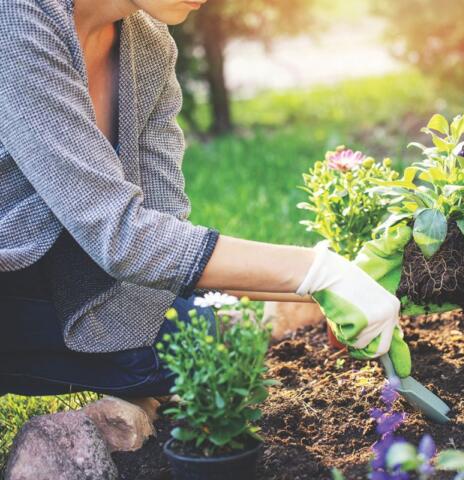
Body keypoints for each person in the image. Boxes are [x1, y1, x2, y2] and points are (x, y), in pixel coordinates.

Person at [0, 0, 405, 398]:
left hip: (63, 270)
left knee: (197, 341)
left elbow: (164, 229)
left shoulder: (149, 44)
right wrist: (316, 271)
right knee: (174, 351)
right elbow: (121, 236)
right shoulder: (17, 18)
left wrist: (337, 284)